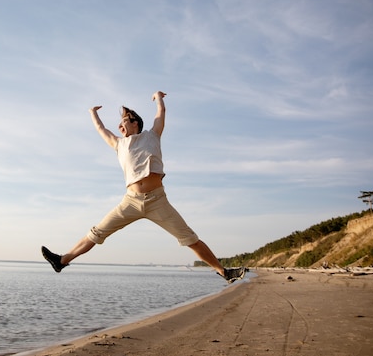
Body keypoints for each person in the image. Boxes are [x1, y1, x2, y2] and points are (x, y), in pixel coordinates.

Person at [41, 91, 246, 283]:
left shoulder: (152, 135)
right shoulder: (119, 144)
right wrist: (92, 113)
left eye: (123, 122)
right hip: (130, 201)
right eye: (119, 124)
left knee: (189, 238)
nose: (120, 127)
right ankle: (62, 261)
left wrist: (158, 98)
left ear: (135, 123)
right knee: (97, 232)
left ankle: (224, 272)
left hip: (157, 201)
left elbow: (160, 113)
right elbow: (101, 130)